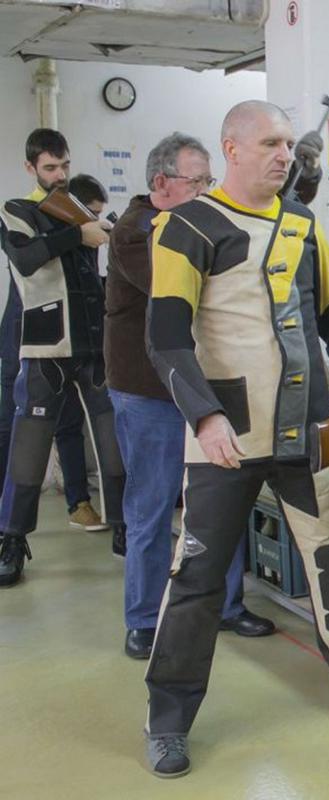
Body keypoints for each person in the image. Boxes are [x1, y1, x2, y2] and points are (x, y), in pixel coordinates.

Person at [142, 101, 329, 778]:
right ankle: (167, 719)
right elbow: (166, 337)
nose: (285, 155)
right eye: (270, 143)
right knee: (197, 578)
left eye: (288, 143)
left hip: (305, 433)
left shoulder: (302, 224)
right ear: (231, 149)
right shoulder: (186, 226)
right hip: (224, 437)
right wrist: (204, 417)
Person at [105, 133, 277, 661]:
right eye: (196, 182)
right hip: (150, 394)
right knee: (153, 507)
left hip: (202, 393)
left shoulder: (201, 224)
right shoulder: (135, 233)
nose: (206, 191)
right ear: (161, 183)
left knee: (219, 504)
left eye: (209, 180)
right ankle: (143, 619)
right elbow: (188, 288)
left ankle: (226, 605)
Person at [0, 129, 125, 587]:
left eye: (65, 166)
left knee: (114, 440)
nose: (59, 175)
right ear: (31, 167)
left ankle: (125, 527)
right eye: (50, 167)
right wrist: (78, 234)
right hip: (46, 348)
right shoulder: (18, 210)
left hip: (93, 346)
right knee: (29, 446)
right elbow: (26, 258)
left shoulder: (76, 208)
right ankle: (12, 539)